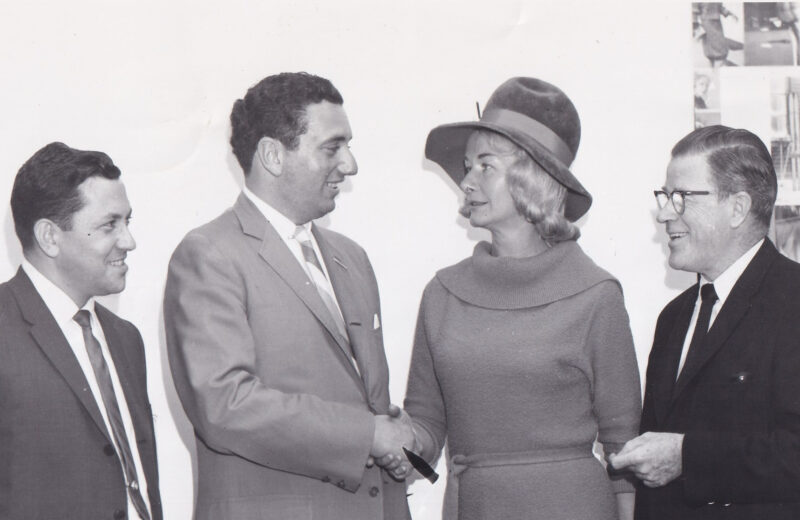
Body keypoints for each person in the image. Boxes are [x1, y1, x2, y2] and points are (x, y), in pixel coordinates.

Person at [163, 72, 413, 520]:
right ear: (273, 155)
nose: (350, 164)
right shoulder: (208, 254)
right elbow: (224, 404)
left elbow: (367, 404)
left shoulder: (351, 259)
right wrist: (367, 436)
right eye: (332, 147)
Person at [402, 77, 642, 520]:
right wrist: (387, 441)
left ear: (532, 177)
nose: (466, 182)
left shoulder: (596, 294)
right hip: (474, 507)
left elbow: (623, 446)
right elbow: (425, 425)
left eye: (484, 166)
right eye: (466, 165)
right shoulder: (442, 293)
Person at [609, 125, 800, 519]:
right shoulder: (674, 318)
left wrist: (687, 458)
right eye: (664, 196)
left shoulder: (794, 300)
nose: (664, 213)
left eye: (680, 197)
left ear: (738, 208)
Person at [0, 142, 162, 519]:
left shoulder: (125, 339)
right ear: (50, 237)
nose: (129, 241)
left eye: (127, 222)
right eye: (109, 225)